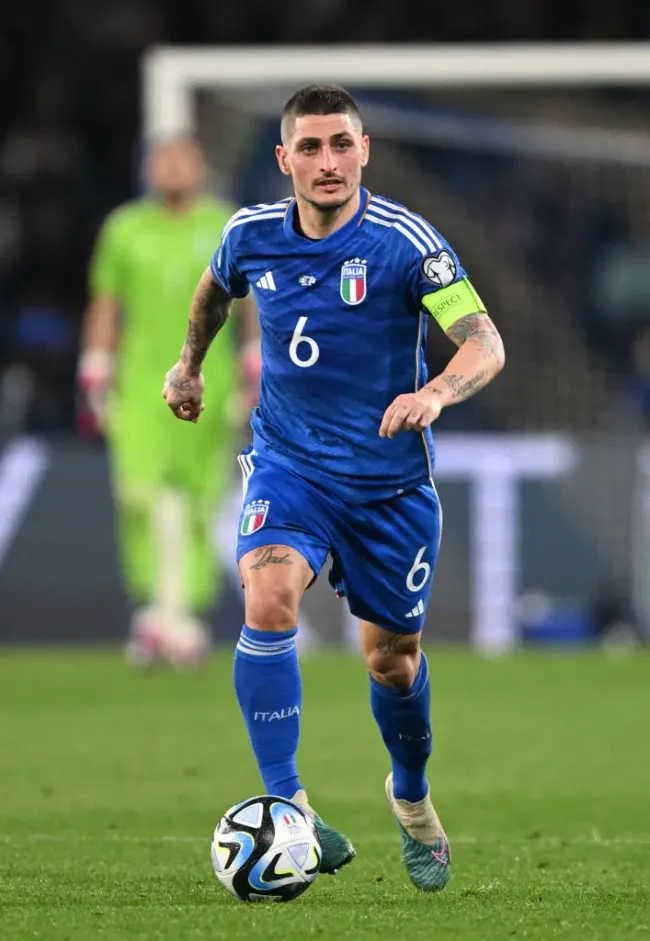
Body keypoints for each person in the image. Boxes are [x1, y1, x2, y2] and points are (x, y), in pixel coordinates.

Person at [162, 86, 505, 890]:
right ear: (284, 159)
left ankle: (411, 796)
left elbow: (483, 340)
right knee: (267, 595)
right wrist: (187, 364)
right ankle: (290, 806)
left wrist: (436, 393)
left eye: (341, 145)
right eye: (309, 148)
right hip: (290, 465)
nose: (327, 162)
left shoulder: (404, 244)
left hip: (388, 489)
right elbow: (216, 289)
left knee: (392, 661)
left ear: (365, 151)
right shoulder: (251, 235)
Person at [79, 137, 259, 666]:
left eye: (183, 159)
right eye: (163, 160)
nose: (173, 169)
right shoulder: (125, 228)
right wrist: (95, 363)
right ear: (147, 169)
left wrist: (254, 358)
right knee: (140, 495)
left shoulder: (226, 225)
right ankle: (154, 609)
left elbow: (249, 299)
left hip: (211, 377)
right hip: (139, 382)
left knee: (202, 500)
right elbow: (107, 301)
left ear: (201, 168)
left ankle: (186, 617)